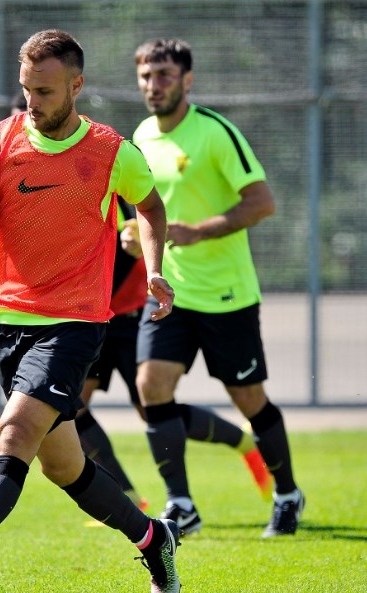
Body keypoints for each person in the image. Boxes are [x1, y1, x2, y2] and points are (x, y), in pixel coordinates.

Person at [0, 29, 181, 593]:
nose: (32, 101)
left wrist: (154, 267)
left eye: (45, 91)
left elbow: (151, 206)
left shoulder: (110, 151)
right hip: (7, 323)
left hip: (75, 323)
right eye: (27, 89)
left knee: (14, 434)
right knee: (65, 467)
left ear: (76, 86)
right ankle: (154, 540)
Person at [8, 92, 272, 515]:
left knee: (154, 409)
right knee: (67, 407)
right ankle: (129, 498)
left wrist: (103, 285)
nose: (29, 128)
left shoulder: (91, 164)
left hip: (124, 315)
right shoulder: (24, 172)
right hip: (83, 316)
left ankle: (242, 443)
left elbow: (132, 238)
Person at [130, 38, 304, 538]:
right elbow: (146, 210)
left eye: (164, 75)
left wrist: (199, 231)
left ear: (187, 80)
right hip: (170, 292)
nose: (154, 85)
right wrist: (135, 238)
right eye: (146, 76)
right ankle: (181, 504)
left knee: (248, 397)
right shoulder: (141, 136)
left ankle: (287, 493)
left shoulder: (215, 132)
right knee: (150, 386)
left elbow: (262, 202)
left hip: (227, 295)